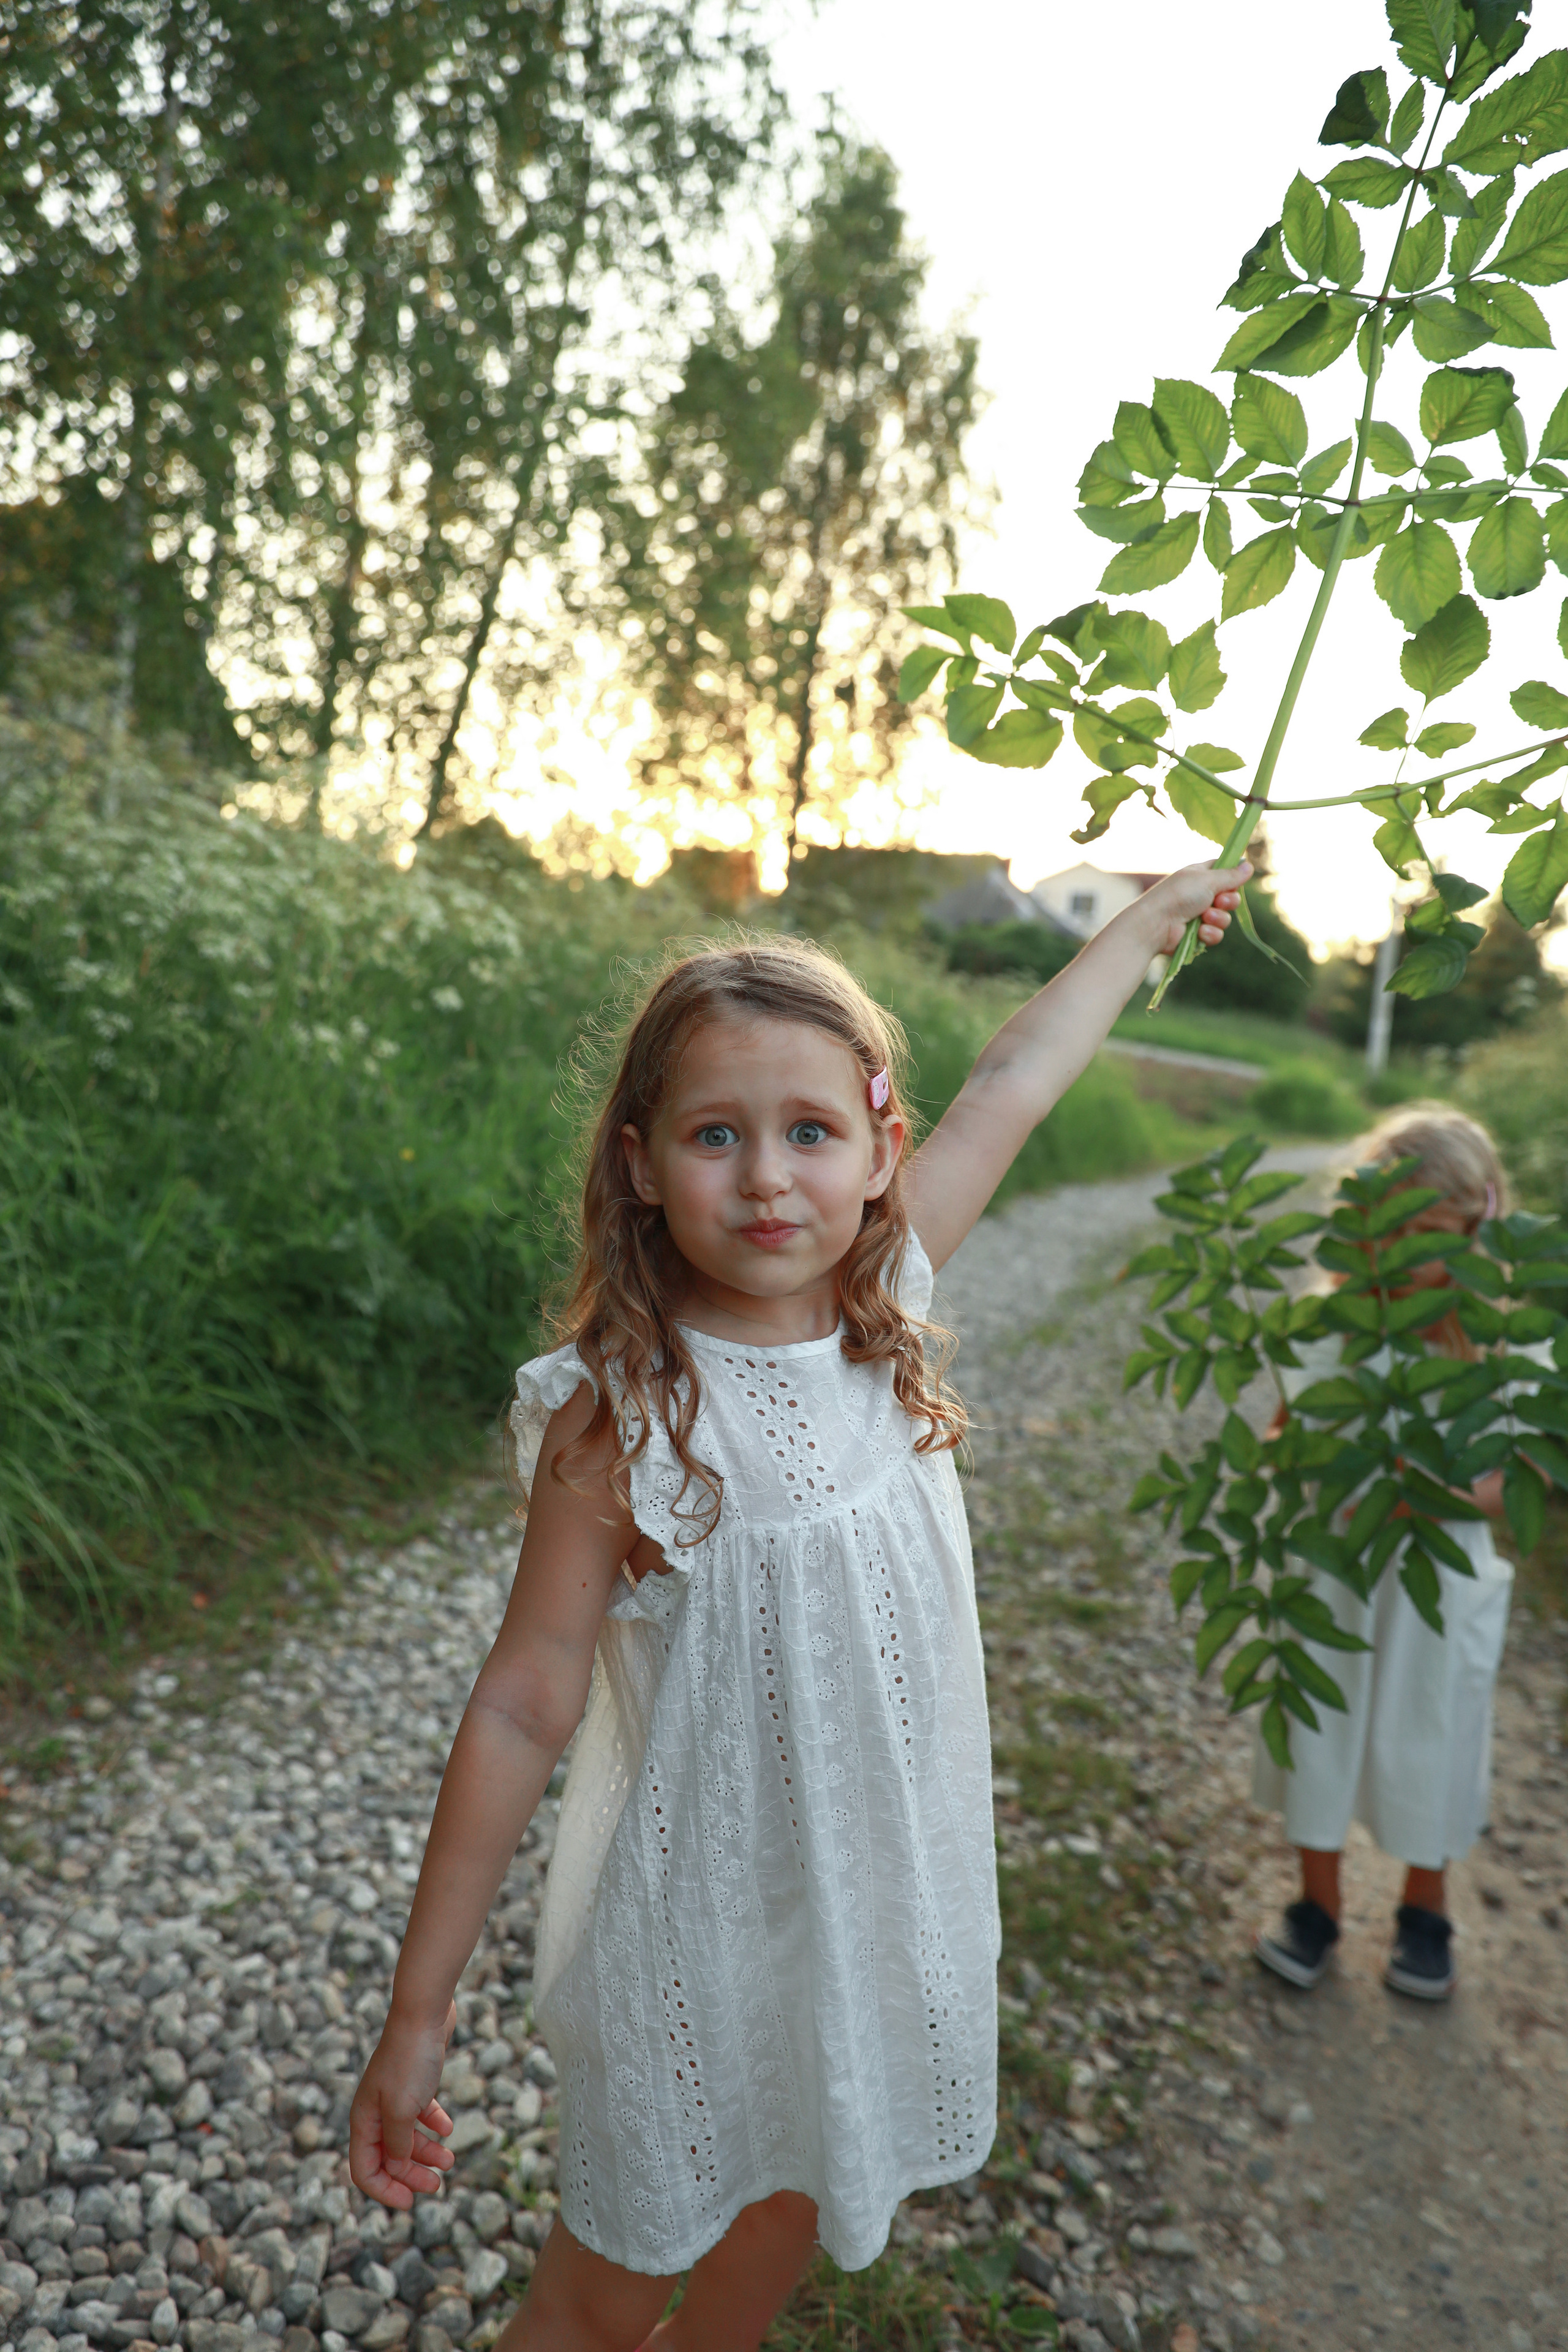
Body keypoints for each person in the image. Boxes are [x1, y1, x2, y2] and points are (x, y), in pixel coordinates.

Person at [348, 859, 1248, 2351]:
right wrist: (417, 2007)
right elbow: (523, 1701)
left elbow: (1016, 1074)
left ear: (881, 1147)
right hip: (691, 1935)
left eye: (811, 1132)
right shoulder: (615, 1416)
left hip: (874, 1910)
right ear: (639, 1162)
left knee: (784, 2225)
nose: (768, 1177)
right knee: (603, 2290)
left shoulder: (883, 1299)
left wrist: (1143, 926)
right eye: (717, 1135)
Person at [1252, 1106, 1517, 2005]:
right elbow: (1281, 1437)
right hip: (1334, 1570)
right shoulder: (1327, 1323)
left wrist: (1412, 1490)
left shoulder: (1496, 1346)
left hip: (1438, 1581)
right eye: (1388, 1233)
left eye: (1430, 1237)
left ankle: (1424, 1910)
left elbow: (1507, 1486)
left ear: (1480, 1234)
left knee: (1431, 1738)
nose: (1404, 1256)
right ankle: (1317, 1908)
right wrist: (1289, 1456)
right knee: (1318, 1739)